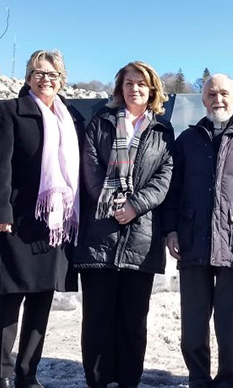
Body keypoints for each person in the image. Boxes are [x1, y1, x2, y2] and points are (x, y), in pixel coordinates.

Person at [0, 50, 85, 388]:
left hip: (56, 225)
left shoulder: (73, 119)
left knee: (42, 300)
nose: (46, 79)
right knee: (10, 300)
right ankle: (1, 374)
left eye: (53, 74)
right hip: (16, 222)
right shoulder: (10, 112)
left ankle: (28, 373)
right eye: (38, 72)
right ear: (27, 77)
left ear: (62, 79)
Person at [164, 73, 233, 388]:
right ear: (203, 99)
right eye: (211, 94)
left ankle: (227, 381)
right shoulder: (187, 139)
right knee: (194, 325)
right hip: (192, 240)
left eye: (224, 93)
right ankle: (198, 378)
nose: (218, 99)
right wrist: (170, 230)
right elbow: (174, 190)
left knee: (229, 324)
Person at [75, 61, 174, 388]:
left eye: (141, 84)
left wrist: (135, 205)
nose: (134, 89)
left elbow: (164, 178)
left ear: (152, 90)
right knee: (97, 320)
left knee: (133, 322)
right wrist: (115, 204)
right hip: (99, 234)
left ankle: (128, 381)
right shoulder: (99, 124)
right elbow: (89, 167)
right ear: (120, 89)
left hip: (140, 239)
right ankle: (99, 381)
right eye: (128, 83)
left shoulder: (163, 131)